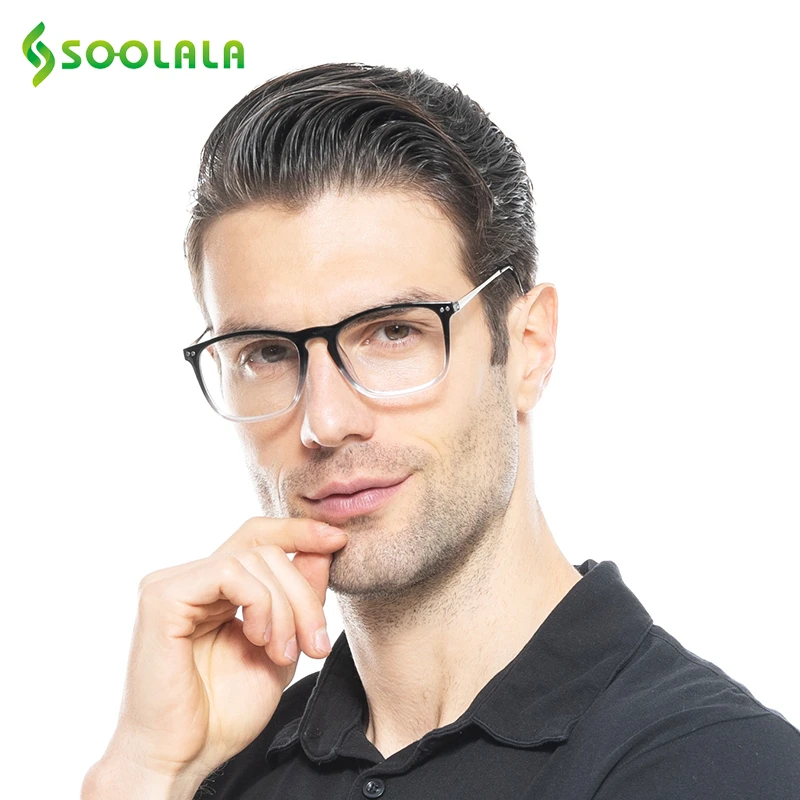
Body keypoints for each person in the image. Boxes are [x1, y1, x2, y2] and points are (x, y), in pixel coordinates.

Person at [81, 63, 800, 799]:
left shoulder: (721, 770)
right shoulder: (218, 769)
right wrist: (146, 770)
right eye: (266, 352)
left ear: (528, 347)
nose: (325, 421)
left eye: (393, 332)